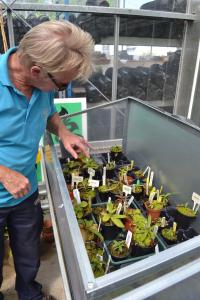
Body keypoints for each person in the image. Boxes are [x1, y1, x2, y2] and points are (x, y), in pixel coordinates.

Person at [0, 20, 94, 300]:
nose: (62, 89)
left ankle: (30, 293)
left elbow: (48, 112)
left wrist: (64, 132)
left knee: (29, 256)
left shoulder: (42, 86)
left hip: (25, 195)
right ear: (36, 70)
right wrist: (3, 172)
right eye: (62, 83)